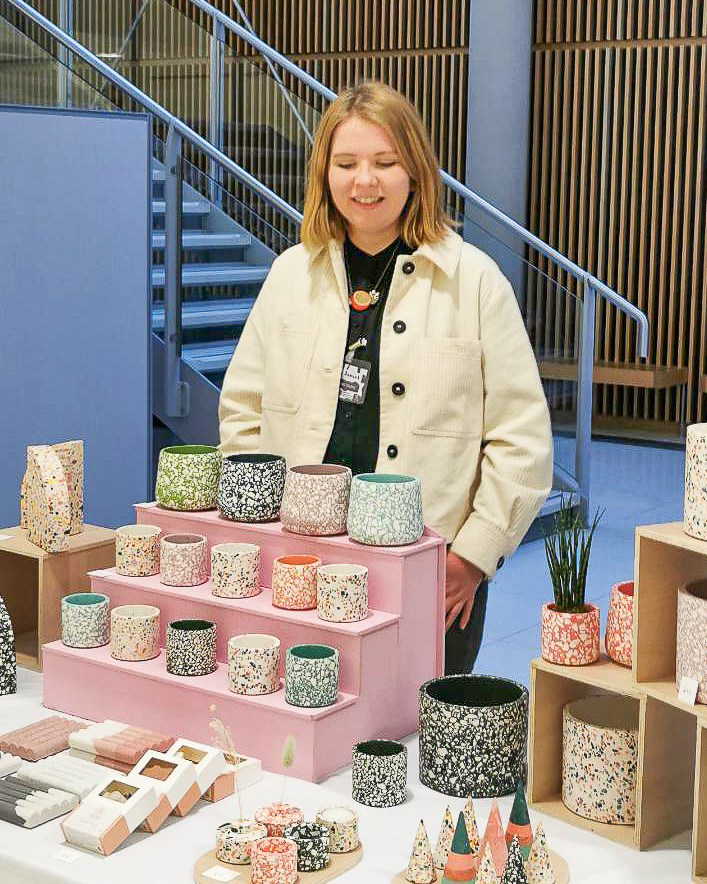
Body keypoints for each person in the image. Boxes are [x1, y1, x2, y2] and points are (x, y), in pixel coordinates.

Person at [219, 82, 553, 674]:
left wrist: (472, 557)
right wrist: (257, 527)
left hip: (431, 571)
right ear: (324, 173)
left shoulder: (473, 282)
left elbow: (520, 439)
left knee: (413, 744)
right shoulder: (290, 274)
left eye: (385, 162)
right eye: (346, 164)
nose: (364, 182)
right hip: (301, 560)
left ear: (415, 171)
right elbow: (243, 408)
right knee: (304, 729)